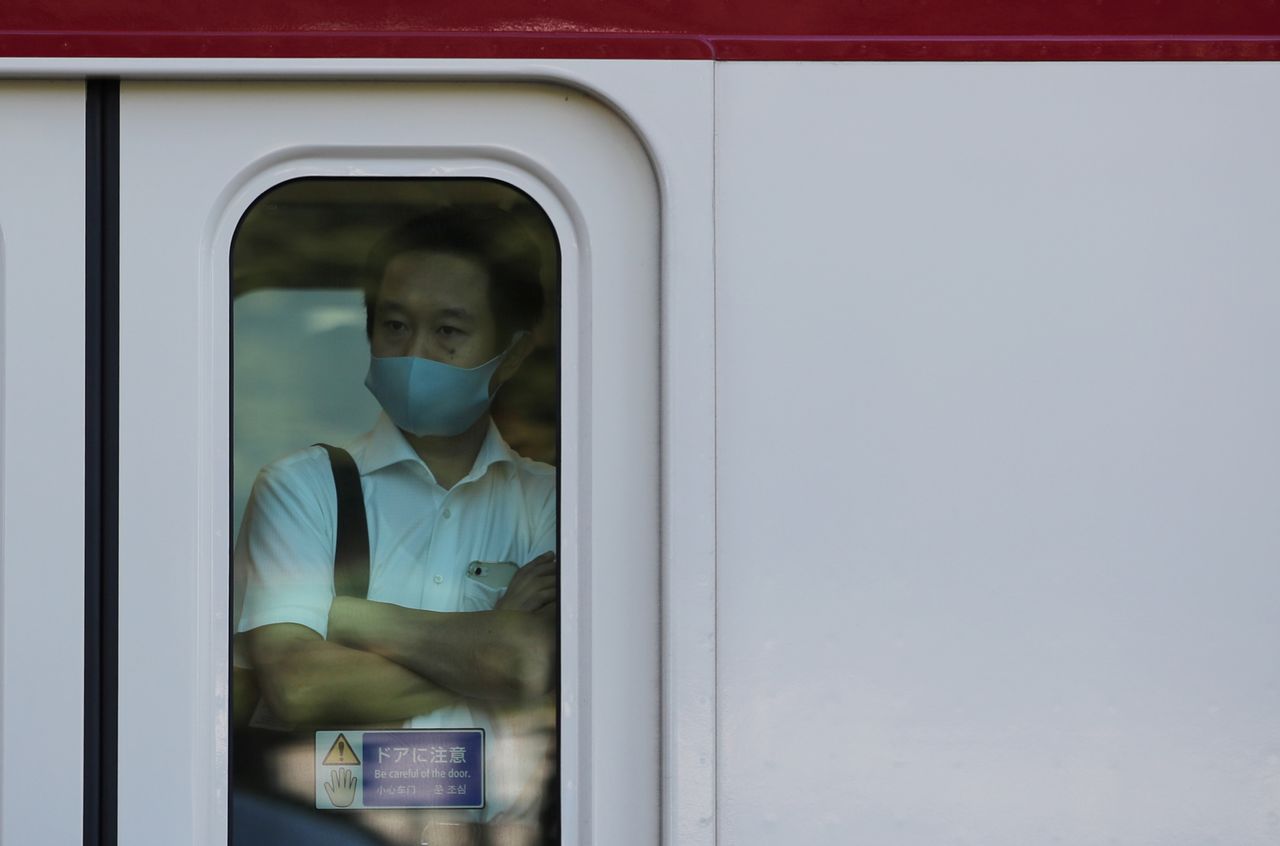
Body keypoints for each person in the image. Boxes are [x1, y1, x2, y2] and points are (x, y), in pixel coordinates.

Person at [233, 207, 558, 838]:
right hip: (331, 832)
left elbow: (529, 665)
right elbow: (299, 686)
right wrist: (486, 644)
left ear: (513, 354)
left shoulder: (553, 502)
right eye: (395, 325)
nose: (414, 353)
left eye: (448, 332)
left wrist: (349, 617)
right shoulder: (303, 487)